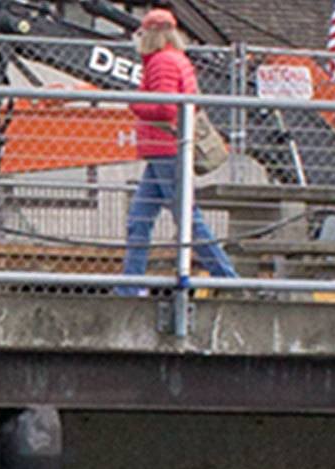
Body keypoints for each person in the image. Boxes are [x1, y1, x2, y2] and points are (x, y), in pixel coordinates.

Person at [117, 7, 238, 297]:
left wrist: (134, 102)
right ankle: (129, 286)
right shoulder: (176, 59)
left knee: (183, 219)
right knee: (141, 220)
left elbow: (166, 107)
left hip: (165, 148)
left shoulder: (161, 62)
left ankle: (226, 277)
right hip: (167, 148)